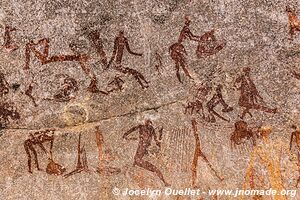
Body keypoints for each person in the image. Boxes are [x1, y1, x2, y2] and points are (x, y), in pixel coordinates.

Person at [122, 119, 169, 186]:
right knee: (155, 170)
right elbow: (127, 133)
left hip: (139, 160)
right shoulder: (142, 140)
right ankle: (164, 182)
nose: (148, 137)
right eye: (146, 133)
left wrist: (160, 133)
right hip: (139, 161)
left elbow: (157, 142)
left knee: (155, 170)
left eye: (149, 134)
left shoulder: (148, 133)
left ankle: (164, 182)